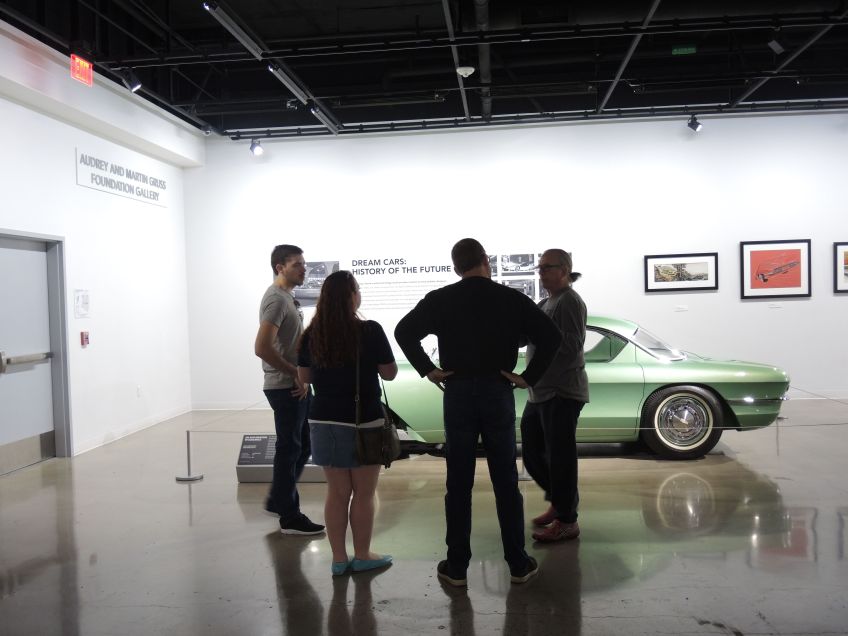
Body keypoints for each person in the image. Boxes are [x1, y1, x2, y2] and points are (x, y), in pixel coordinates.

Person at [394, 238, 561, 587]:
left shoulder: (441, 299)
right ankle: (517, 563)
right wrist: (526, 377)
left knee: (458, 482)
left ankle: (456, 566)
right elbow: (551, 337)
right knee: (505, 481)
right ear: (486, 261)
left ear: (456, 267)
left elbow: (404, 331)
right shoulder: (511, 298)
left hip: (457, 394)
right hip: (497, 391)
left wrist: (428, 369)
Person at [297, 270, 398, 576]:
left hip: (322, 420)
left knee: (337, 493)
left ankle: (339, 559)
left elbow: (304, 379)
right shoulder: (369, 331)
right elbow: (389, 373)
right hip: (362, 422)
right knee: (364, 494)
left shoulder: (311, 335)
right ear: (352, 296)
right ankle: (363, 554)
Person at [254, 244, 325, 535]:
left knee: (300, 446)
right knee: (290, 448)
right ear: (279, 267)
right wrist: (294, 373)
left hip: (294, 385)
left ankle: (279, 500)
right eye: (297, 264)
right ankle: (289, 515)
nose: (303, 269)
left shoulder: (286, 298)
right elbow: (261, 347)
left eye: (303, 264)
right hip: (285, 387)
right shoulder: (277, 300)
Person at [520, 249, 589, 542]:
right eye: (540, 267)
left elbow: (571, 345)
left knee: (560, 457)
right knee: (533, 448)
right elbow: (527, 335)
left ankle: (567, 520)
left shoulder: (570, 302)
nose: (541, 271)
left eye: (547, 267)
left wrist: (541, 341)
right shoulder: (546, 301)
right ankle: (560, 503)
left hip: (561, 391)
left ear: (564, 270)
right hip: (541, 392)